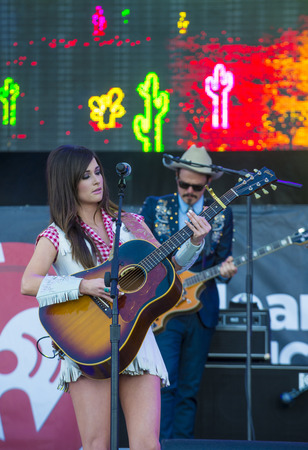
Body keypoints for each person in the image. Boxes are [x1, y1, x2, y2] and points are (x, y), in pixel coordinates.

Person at [20, 145, 212, 450]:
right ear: (67, 182)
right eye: (86, 176)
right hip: (88, 341)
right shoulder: (55, 234)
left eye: (98, 171)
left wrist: (195, 242)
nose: (97, 180)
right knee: (97, 445)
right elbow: (28, 283)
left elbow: (169, 268)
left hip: (136, 337)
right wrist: (83, 287)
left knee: (147, 444)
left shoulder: (132, 223)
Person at [140, 144, 238, 440]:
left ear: (208, 184)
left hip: (201, 309)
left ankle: (182, 446)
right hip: (163, 309)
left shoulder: (222, 214)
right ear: (176, 178)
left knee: (189, 390)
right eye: (184, 184)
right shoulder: (154, 206)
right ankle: (162, 445)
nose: (190, 191)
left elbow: (223, 259)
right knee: (163, 385)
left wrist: (227, 270)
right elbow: (142, 255)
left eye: (197, 186)